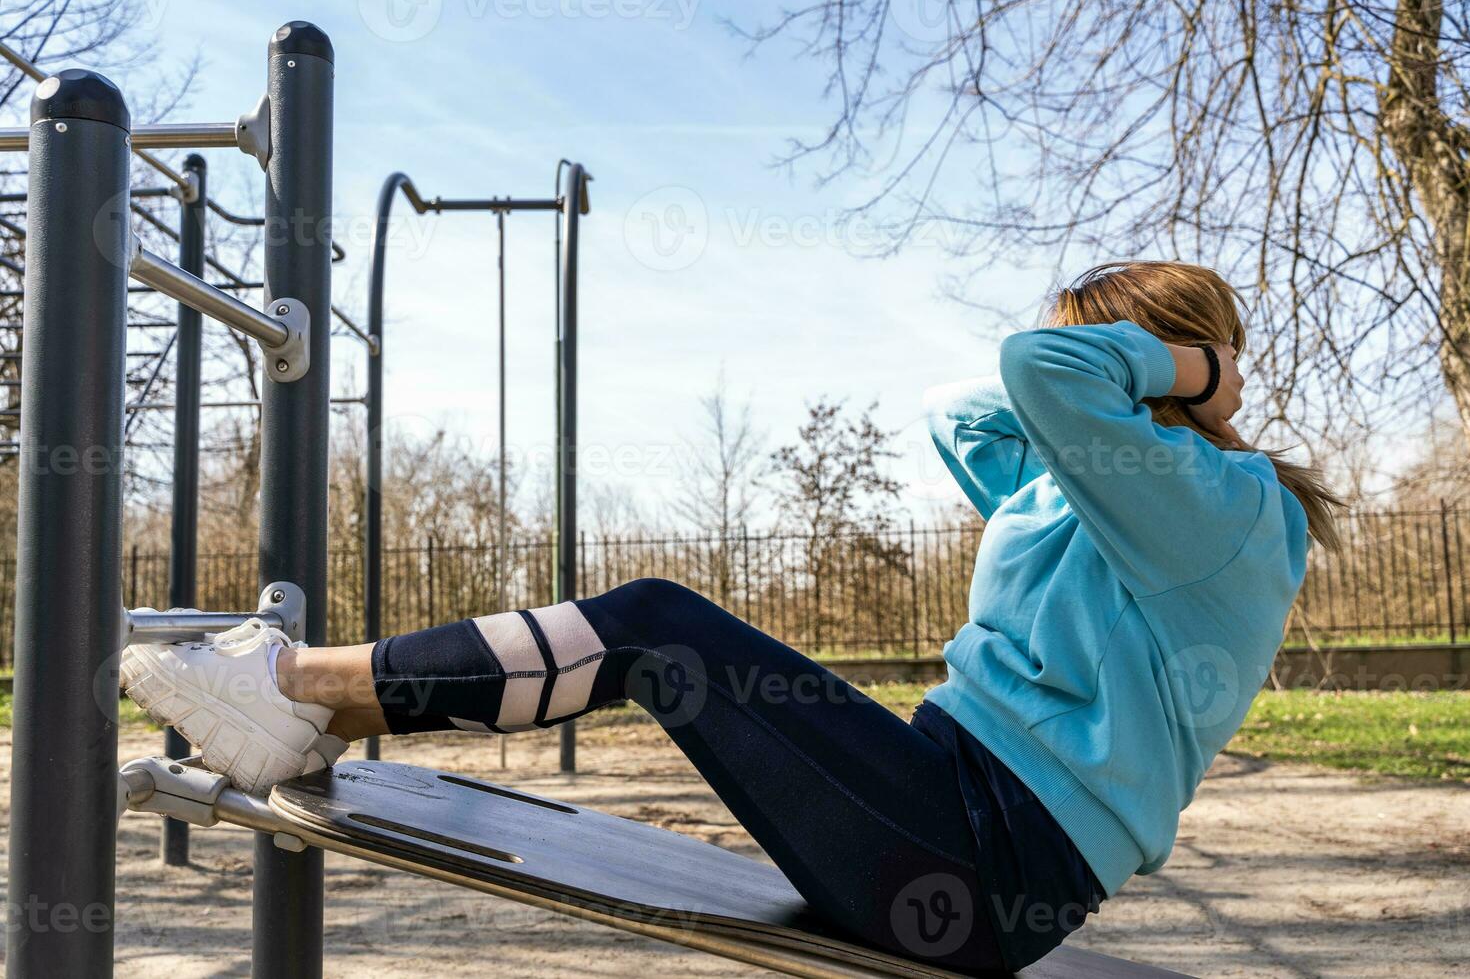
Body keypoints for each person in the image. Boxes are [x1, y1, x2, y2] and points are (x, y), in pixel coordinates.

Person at [122, 260, 1339, 974]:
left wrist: (1187, 370)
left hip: (992, 850)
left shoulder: (1225, 508)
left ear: (1175, 368)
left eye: (1130, 354)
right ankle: (299, 695)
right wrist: (1122, 365)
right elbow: (967, 406)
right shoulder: (1075, 493)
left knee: (654, 626)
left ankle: (290, 684)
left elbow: (1039, 370)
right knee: (660, 632)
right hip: (950, 796)